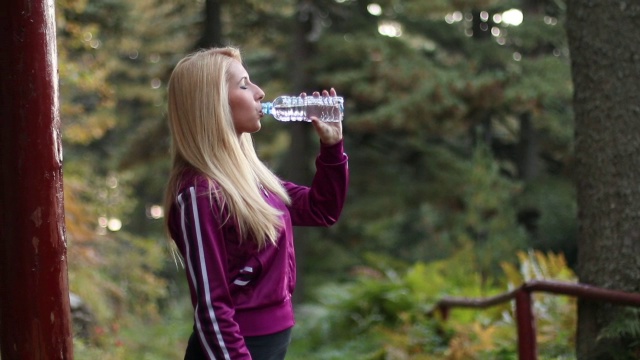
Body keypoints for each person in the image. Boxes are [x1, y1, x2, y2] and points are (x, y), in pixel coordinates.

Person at [163, 47, 349, 360]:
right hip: (234, 349)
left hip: (271, 342)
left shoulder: (251, 179)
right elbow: (212, 307)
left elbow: (322, 208)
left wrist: (332, 147)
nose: (260, 93)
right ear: (213, 103)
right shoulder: (199, 193)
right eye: (245, 85)